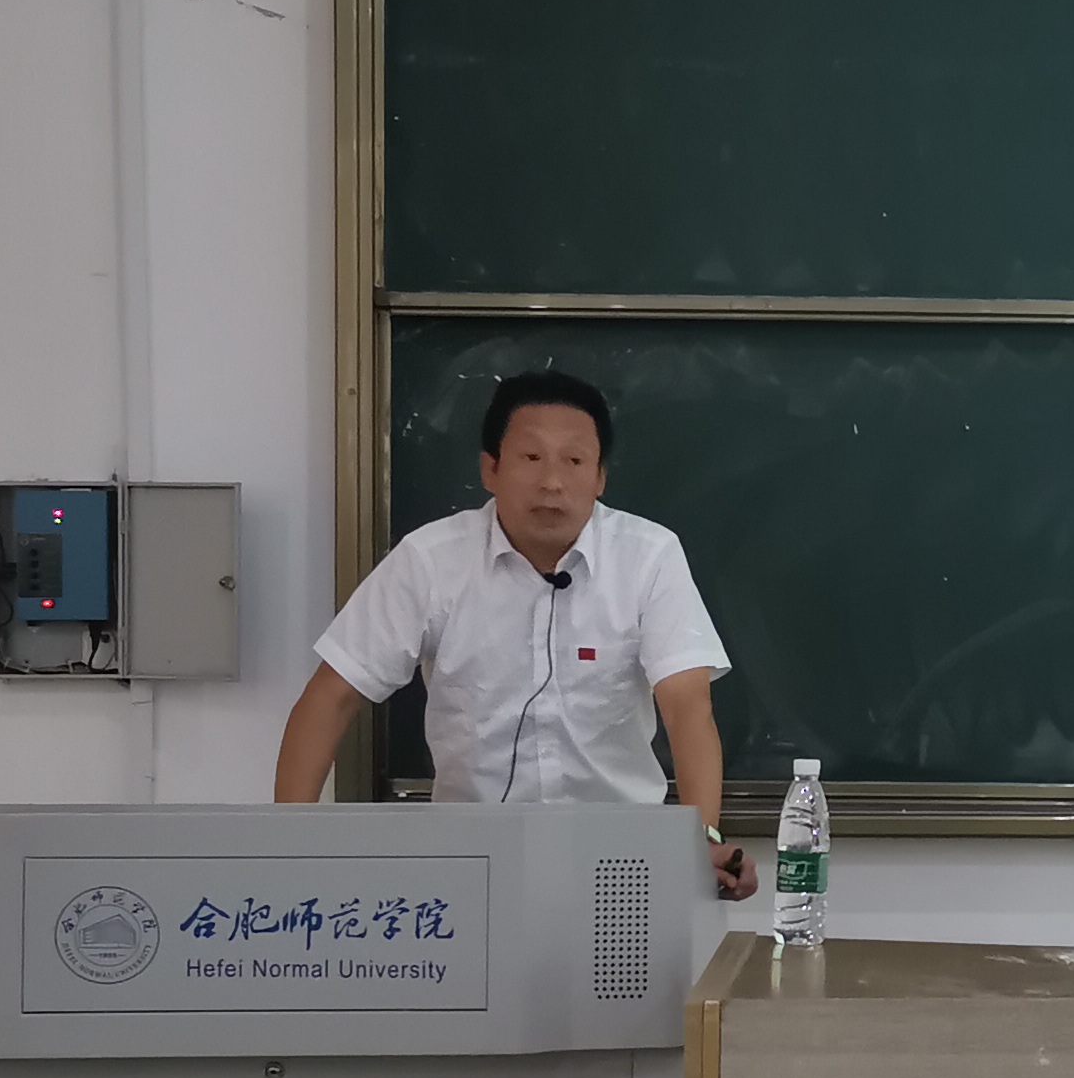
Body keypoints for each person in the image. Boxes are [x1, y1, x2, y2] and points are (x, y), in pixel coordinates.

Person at [274, 369, 759, 895]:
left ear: (599, 478)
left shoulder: (648, 557)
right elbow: (332, 696)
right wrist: (282, 846)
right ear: (491, 468)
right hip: (468, 859)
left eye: (574, 461)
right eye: (531, 457)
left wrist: (703, 839)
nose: (552, 481)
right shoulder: (431, 560)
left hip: (619, 858)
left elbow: (687, 706)